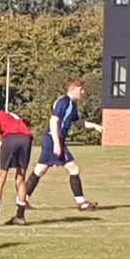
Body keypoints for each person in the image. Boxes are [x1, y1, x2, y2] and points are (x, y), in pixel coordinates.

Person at [24, 78, 104, 210]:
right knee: (73, 169)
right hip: (53, 140)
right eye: (81, 90)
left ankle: (22, 199)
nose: (83, 92)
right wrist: (56, 143)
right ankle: (82, 203)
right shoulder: (64, 102)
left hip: (54, 140)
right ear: (72, 90)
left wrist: (94, 126)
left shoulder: (73, 105)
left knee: (40, 170)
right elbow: (53, 121)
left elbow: (78, 122)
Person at [0, 109, 33, 226]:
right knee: (21, 178)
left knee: (1, 177)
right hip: (26, 139)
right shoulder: (12, 116)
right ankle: (20, 216)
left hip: (10, 138)